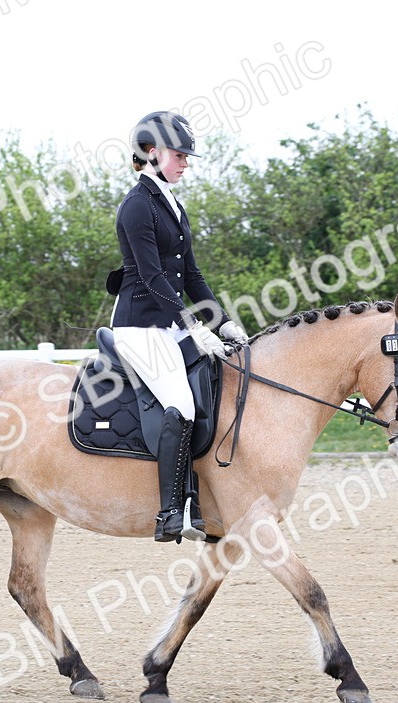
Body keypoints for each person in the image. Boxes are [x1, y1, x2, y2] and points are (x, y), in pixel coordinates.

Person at [106, 110, 247, 543]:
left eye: (187, 155)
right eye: (179, 155)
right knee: (181, 405)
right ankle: (170, 512)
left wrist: (222, 323)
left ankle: (207, 497)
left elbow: (192, 276)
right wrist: (192, 326)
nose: (186, 162)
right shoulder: (136, 206)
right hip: (140, 328)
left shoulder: (172, 205)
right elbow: (153, 278)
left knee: (216, 381)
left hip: (168, 323)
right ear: (151, 153)